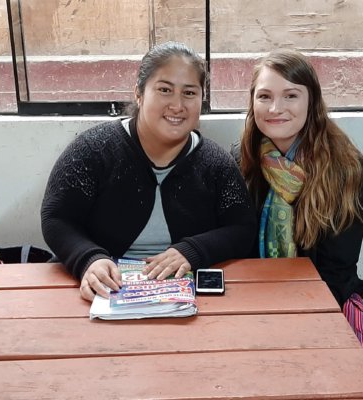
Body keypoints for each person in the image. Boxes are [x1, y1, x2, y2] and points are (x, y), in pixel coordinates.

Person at [233, 48, 363, 399]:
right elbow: (235, 244)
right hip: (258, 296)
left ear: (312, 101)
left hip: (331, 298)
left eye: (291, 95)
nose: (275, 107)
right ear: (252, 103)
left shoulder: (344, 167)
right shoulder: (242, 159)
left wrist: (294, 329)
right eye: (264, 96)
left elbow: (338, 268)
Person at [41, 41, 257, 303]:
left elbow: (243, 228)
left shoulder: (215, 163)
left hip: (185, 300)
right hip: (100, 291)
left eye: (189, 93)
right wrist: (89, 258)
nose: (177, 105)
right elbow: (57, 217)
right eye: (165, 90)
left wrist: (194, 251)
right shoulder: (93, 150)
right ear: (139, 93)